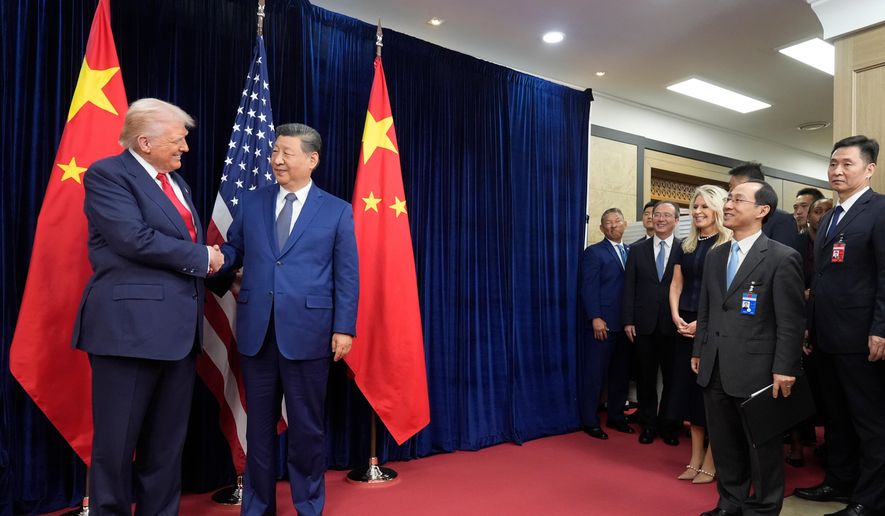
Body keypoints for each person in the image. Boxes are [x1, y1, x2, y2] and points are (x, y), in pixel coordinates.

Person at [71, 98, 224, 514]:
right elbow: (131, 238)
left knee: (165, 448)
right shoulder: (108, 175)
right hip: (128, 334)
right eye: (178, 140)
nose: (186, 148)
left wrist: (222, 268)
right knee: (116, 447)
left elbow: (183, 246)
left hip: (178, 335)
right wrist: (203, 258)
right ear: (144, 141)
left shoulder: (177, 182)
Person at [219, 123, 359, 516]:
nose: (277, 160)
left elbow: (346, 275)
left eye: (287, 153)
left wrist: (343, 328)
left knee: (306, 429)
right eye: (274, 152)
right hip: (256, 334)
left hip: (310, 334)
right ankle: (258, 507)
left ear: (312, 160)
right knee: (258, 431)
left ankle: (309, 505)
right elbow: (235, 250)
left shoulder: (337, 210)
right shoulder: (252, 202)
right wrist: (218, 266)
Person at [693, 179, 805, 516]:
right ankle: (730, 502)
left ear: (762, 210)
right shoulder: (716, 256)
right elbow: (706, 309)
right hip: (714, 363)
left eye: (738, 200)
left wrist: (785, 368)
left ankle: (764, 507)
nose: (728, 205)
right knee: (725, 444)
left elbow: (791, 321)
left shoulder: (782, 257)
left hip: (759, 369)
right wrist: (699, 350)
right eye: (728, 199)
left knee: (763, 446)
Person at [793, 135, 885, 516]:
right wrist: (810, 325)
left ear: (869, 169)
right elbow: (824, 278)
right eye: (833, 163)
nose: (837, 170)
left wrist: (880, 328)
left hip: (862, 336)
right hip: (827, 335)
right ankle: (840, 480)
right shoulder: (829, 215)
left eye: (847, 163)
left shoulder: (879, 210)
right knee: (835, 417)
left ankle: (871, 498)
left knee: (869, 420)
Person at [667, 185, 731, 484]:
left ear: (718, 208)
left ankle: (712, 460)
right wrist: (676, 316)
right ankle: (694, 458)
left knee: (712, 397)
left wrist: (701, 324)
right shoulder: (686, 245)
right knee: (690, 395)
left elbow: (725, 294)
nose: (698, 212)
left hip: (714, 327)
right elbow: (676, 285)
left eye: (704, 206)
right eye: (695, 206)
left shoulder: (727, 244)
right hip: (685, 325)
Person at [623, 201, 683, 445]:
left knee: (672, 379)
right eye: (657, 214)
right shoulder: (637, 250)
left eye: (666, 215)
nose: (660, 219)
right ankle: (648, 424)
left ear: (676, 220)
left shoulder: (685, 249)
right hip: (643, 324)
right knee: (646, 378)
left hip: (674, 325)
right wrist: (627, 319)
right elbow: (629, 287)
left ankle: (669, 425)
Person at [579, 208, 634, 440]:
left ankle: (616, 416)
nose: (613, 226)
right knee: (595, 374)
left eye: (617, 221)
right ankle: (589, 420)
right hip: (602, 324)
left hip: (626, 326)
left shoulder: (632, 252)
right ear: (601, 228)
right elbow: (588, 287)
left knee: (621, 375)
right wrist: (595, 317)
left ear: (625, 224)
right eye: (607, 223)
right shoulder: (593, 253)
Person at [728, 162, 798, 249]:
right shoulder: (733, 218)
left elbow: (781, 257)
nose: (730, 191)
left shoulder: (782, 219)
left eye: (733, 186)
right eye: (730, 187)